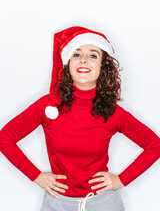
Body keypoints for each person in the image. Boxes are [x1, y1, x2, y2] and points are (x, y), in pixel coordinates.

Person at [0, 26, 160, 211]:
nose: (83, 59)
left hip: (103, 204)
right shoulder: (49, 106)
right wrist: (36, 176)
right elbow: (5, 138)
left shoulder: (113, 112)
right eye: (76, 54)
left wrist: (121, 180)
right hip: (57, 203)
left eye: (93, 55)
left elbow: (154, 145)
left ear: (102, 67)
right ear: (68, 64)